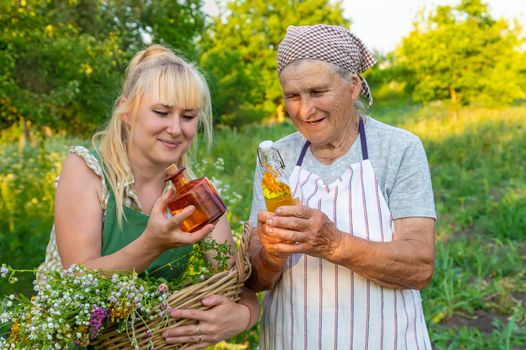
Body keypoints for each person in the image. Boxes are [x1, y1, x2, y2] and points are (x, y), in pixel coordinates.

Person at [38, 44, 259, 348]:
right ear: (127, 112)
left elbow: (234, 281)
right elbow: (76, 281)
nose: (175, 128)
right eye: (161, 112)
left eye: (188, 116)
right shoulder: (87, 170)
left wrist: (245, 315)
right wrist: (152, 243)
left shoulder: (197, 194)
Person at [246, 24, 436, 349]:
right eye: (293, 96)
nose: (305, 110)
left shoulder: (398, 148)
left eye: (318, 92)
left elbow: (419, 267)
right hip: (292, 339)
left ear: (352, 86)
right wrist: (271, 256)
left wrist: (332, 244)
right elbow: (255, 280)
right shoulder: (277, 156)